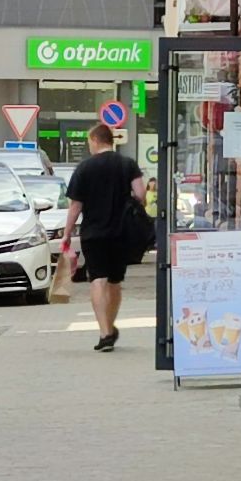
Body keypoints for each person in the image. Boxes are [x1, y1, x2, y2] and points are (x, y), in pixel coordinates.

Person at [59, 124, 145, 352]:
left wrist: (67, 234)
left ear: (95, 140)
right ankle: (111, 325)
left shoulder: (84, 168)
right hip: (120, 232)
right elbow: (141, 194)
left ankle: (105, 331)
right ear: (111, 141)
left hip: (93, 233)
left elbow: (75, 206)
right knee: (115, 281)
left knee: (98, 279)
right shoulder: (127, 164)